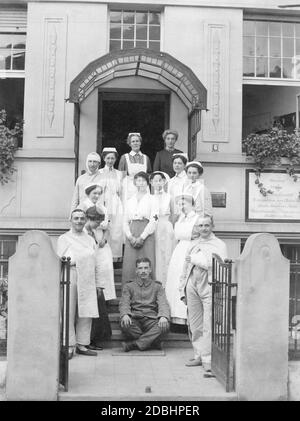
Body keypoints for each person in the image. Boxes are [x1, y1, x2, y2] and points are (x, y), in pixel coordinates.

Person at [179, 216, 228, 372]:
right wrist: (182, 288)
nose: (204, 228)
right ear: (197, 228)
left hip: (209, 284)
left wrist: (197, 259)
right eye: (200, 225)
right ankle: (199, 355)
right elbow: (186, 267)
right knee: (195, 323)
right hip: (192, 283)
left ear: (212, 226)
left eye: (207, 225)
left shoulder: (219, 244)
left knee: (208, 323)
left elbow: (219, 265)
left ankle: (208, 359)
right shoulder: (193, 244)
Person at [57, 209, 99, 358]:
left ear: (86, 220)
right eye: (76, 218)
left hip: (87, 275)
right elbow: (61, 259)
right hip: (71, 273)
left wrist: (98, 282)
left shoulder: (90, 240)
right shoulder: (64, 238)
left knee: (86, 311)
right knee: (68, 310)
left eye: (82, 218)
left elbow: (96, 261)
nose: (79, 221)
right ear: (71, 220)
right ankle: (68, 344)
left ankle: (82, 343)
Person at [119, 257, 170, 352]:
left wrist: (163, 316)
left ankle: (133, 344)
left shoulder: (157, 286)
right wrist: (125, 314)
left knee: (164, 326)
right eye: (140, 268)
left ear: (150, 270)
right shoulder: (129, 286)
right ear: (136, 271)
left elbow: (163, 303)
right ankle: (153, 342)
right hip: (134, 319)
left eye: (146, 268)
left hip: (151, 319)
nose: (143, 271)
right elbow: (124, 303)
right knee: (125, 324)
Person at [165, 194, 201, 326]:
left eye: (184, 203)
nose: (182, 206)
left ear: (191, 204)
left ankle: (189, 319)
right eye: (179, 204)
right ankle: (176, 317)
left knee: (187, 279)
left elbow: (199, 236)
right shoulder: (180, 219)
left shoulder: (197, 218)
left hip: (191, 248)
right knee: (175, 279)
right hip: (179, 250)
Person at [79, 184, 116, 303]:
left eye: (99, 193)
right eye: (94, 193)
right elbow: (82, 225)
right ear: (88, 193)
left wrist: (104, 239)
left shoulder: (102, 208)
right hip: (89, 239)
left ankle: (105, 297)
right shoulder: (83, 206)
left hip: (102, 241)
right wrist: (91, 237)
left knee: (105, 267)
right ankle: (93, 296)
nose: (96, 196)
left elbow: (107, 226)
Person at [122, 171, 157, 286]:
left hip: (146, 233)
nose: (141, 183)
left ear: (148, 183)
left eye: (143, 181)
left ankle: (148, 295)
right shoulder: (129, 200)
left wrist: (142, 237)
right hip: (132, 232)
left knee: (147, 261)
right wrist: (130, 237)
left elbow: (154, 220)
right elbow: (125, 221)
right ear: (134, 183)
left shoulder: (153, 199)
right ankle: (130, 296)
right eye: (138, 180)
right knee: (130, 264)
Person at [84, 206, 113, 348]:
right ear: (90, 219)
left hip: (93, 275)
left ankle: (94, 339)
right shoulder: (84, 233)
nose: (97, 225)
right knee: (90, 310)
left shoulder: (92, 232)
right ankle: (88, 340)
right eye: (96, 222)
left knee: (99, 307)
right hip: (85, 276)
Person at [149, 171, 175, 287]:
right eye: (155, 181)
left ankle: (167, 284)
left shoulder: (169, 197)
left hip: (166, 226)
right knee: (155, 254)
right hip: (154, 227)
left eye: (160, 180)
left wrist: (170, 227)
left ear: (164, 182)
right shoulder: (149, 198)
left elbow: (174, 215)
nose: (158, 183)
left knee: (167, 253)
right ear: (151, 182)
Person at [98, 147, 123, 260]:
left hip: (116, 202)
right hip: (103, 201)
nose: (110, 160)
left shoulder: (119, 173)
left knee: (116, 229)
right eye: (108, 158)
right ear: (104, 158)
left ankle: (115, 257)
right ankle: (103, 255)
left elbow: (122, 191)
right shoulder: (99, 172)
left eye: (112, 158)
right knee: (104, 227)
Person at [118, 133, 152, 203]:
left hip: (144, 187)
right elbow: (121, 176)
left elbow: (149, 174)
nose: (135, 143)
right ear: (129, 144)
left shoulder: (146, 158)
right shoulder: (125, 157)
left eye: (137, 141)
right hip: (130, 187)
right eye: (133, 141)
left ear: (140, 143)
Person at [168, 153, 188, 223]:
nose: (176, 165)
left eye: (179, 163)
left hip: (182, 215)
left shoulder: (187, 180)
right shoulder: (170, 180)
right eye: (175, 163)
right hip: (171, 214)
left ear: (184, 165)